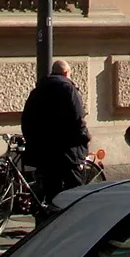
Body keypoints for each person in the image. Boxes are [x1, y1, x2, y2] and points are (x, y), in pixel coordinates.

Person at [22, 60, 90, 205]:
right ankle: (74, 220)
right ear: (66, 73)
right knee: (75, 189)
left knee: (51, 189)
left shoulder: (38, 90)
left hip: (44, 150)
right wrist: (85, 138)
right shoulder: (68, 88)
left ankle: (52, 220)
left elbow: (27, 119)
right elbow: (78, 118)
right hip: (67, 149)